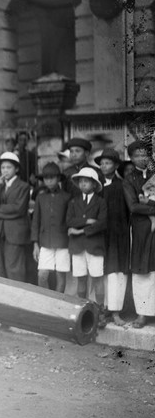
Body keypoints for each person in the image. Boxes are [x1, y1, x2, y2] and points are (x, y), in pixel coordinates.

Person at [66, 167, 108, 322]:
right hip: (78, 247)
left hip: (94, 245)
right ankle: (82, 311)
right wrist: (87, 221)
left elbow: (102, 223)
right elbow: (69, 221)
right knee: (81, 279)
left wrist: (79, 231)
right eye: (81, 181)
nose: (83, 184)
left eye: (86, 181)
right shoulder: (74, 201)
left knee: (97, 278)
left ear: (94, 184)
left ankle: (100, 311)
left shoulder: (100, 202)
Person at [95, 149, 130, 325]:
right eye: (101, 163)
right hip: (100, 236)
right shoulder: (96, 185)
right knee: (100, 272)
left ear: (116, 166)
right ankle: (102, 311)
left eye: (107, 163)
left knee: (116, 273)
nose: (103, 166)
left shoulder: (122, 185)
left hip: (117, 235)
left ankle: (115, 312)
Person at [122, 140, 155, 328]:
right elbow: (133, 206)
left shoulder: (154, 175)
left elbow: (142, 204)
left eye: (145, 154)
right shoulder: (128, 180)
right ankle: (142, 314)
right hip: (141, 229)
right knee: (142, 271)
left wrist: (147, 204)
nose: (142, 158)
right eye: (137, 155)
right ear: (131, 158)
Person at [0, 152, 31, 282]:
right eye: (3, 167)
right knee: (2, 269)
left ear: (16, 169)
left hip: (15, 233)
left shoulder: (24, 186)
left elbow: (18, 209)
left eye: (9, 167)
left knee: (15, 269)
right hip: (0, 232)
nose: (5, 170)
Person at [31, 162, 72, 293]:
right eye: (46, 177)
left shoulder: (66, 197)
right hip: (45, 242)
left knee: (61, 277)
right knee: (42, 275)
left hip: (63, 242)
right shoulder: (40, 197)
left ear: (59, 178)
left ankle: (58, 303)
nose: (49, 180)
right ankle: (47, 301)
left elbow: (70, 221)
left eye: (52, 177)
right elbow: (35, 221)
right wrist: (35, 244)